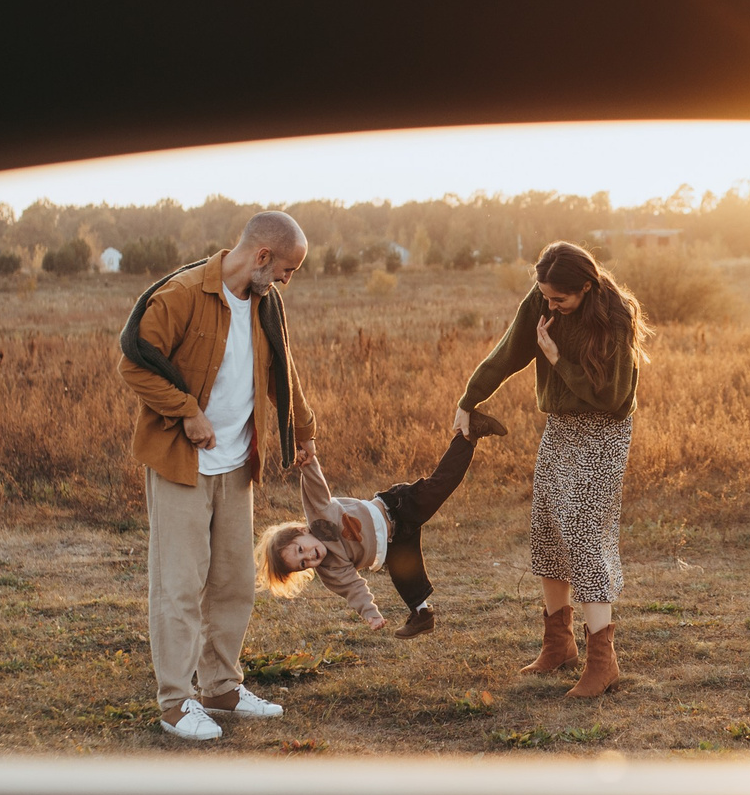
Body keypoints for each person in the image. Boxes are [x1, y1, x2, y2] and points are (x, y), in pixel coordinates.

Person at [115, 212, 315, 741]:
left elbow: (283, 373)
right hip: (182, 463)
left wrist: (304, 431)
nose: (287, 280)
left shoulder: (265, 304)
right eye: (288, 269)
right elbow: (134, 364)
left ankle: (221, 687)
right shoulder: (181, 296)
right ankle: (175, 704)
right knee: (179, 586)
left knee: (233, 583)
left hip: (237, 463)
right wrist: (186, 411)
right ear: (262, 256)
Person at [455, 240, 645, 698]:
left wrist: (559, 360)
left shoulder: (615, 318)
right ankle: (558, 644)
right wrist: (468, 400)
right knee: (547, 528)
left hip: (603, 431)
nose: (550, 305)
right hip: (561, 426)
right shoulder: (542, 300)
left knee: (582, 530)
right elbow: (509, 352)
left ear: (586, 287)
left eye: (560, 299)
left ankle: (603, 660)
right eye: (545, 296)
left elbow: (614, 401)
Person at [255, 410, 510, 633]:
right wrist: (371, 614)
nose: (310, 557)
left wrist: (306, 462)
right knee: (406, 575)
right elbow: (353, 589)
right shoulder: (330, 571)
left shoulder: (320, 517)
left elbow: (315, 487)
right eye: (303, 564)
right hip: (393, 542)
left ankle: (468, 433)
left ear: (301, 530)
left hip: (396, 508)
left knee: (441, 484)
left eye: (302, 549)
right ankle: (422, 615)